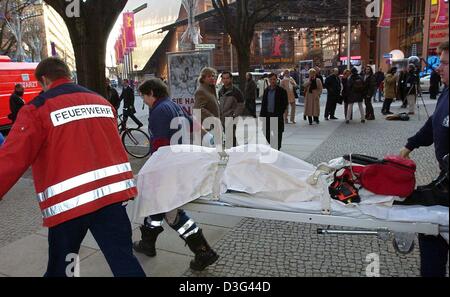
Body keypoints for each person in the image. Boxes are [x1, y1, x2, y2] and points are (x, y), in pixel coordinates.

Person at [0, 57, 145, 277]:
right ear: (67, 74)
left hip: (70, 206)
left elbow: (11, 158)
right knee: (123, 260)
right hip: (111, 199)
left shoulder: (37, 109)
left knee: (64, 267)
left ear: (45, 80)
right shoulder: (101, 102)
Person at [133, 79, 219, 271]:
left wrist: (152, 171)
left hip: (166, 168)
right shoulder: (173, 106)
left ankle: (203, 251)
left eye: (144, 95)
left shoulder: (158, 112)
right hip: (177, 164)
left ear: (152, 93)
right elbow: (193, 123)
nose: (144, 100)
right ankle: (148, 243)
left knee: (172, 214)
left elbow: (160, 147)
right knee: (156, 206)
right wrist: (207, 135)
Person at [399, 41, 449, 277]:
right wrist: (410, 145)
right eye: (441, 62)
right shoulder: (446, 93)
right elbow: (432, 124)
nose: (440, 68)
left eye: (446, 63)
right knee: (430, 230)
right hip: (446, 176)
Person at [260, 73, 288, 150]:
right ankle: (273, 144)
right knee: (265, 131)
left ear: (277, 80)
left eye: (274, 79)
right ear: (268, 80)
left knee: (277, 133)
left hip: (277, 115)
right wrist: (262, 116)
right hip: (267, 115)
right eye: (271, 79)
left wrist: (280, 113)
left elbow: (285, 103)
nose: (272, 81)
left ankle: (277, 148)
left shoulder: (281, 91)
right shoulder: (266, 90)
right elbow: (263, 104)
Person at [218, 72, 245, 147]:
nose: (225, 80)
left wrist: (234, 115)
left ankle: (233, 154)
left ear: (231, 79)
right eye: (224, 78)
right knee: (226, 137)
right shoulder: (220, 91)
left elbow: (241, 105)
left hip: (231, 118)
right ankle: (230, 153)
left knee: (231, 138)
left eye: (227, 78)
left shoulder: (236, 92)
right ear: (222, 79)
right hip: (222, 118)